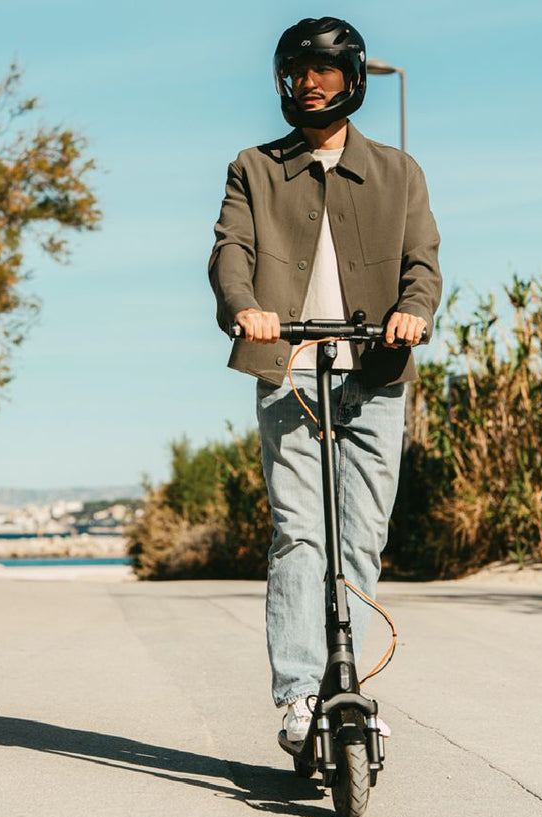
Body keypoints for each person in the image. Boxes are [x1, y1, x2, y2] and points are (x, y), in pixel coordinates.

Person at [207, 16, 442, 749]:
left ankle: (349, 681)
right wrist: (244, 308)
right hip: (290, 373)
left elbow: (423, 264)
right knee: (300, 535)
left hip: (374, 371)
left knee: (361, 540)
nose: (310, 83)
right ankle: (302, 693)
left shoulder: (400, 173)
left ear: (352, 78)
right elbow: (231, 252)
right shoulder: (254, 166)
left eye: (324, 70)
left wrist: (412, 312)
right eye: (299, 71)